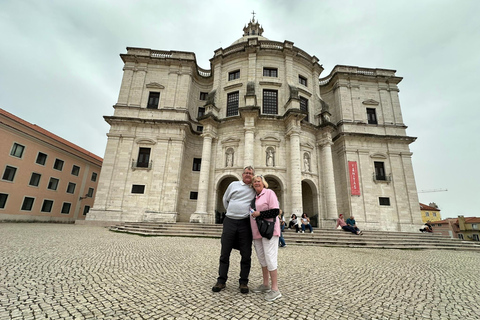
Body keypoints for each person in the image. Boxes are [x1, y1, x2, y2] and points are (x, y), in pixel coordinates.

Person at [212, 166, 256, 294]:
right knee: (225, 252)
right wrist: (231, 211)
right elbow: (225, 200)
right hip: (230, 221)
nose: (248, 175)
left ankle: (243, 282)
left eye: (251, 173)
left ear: (253, 176)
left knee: (246, 254)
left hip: (245, 223)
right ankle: (221, 280)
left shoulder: (254, 188)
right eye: (246, 173)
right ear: (242, 174)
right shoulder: (233, 184)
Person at [249, 175, 282, 301]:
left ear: (263, 183)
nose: (257, 183)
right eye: (255, 182)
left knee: (270, 257)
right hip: (257, 231)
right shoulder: (255, 197)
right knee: (262, 258)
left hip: (269, 231)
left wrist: (260, 214)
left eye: (259, 181)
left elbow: (275, 211)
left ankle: (275, 289)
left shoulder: (269, 193)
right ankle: (266, 284)